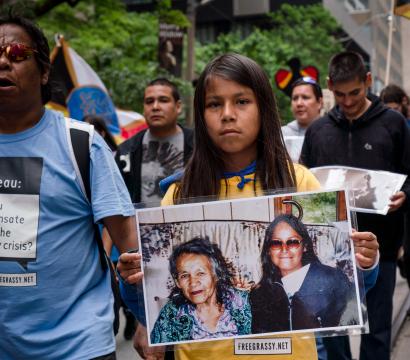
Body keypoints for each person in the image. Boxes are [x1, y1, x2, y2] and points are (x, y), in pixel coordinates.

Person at [119, 53, 379, 360]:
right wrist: (133, 281)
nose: (228, 114)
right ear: (201, 115)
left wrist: (365, 261)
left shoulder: (300, 182)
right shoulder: (178, 194)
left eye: (241, 101)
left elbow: (349, 291)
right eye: (214, 104)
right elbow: (152, 306)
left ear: (263, 108)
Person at [0, 15, 142, 359]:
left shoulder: (81, 144)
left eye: (16, 52)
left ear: (44, 71)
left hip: (78, 344)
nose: (3, 61)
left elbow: (133, 247)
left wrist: (148, 319)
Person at [301, 51, 410, 360]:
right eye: (340, 94)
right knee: (332, 330)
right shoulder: (318, 131)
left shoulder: (394, 124)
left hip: (382, 249)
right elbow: (302, 183)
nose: (347, 102)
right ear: (329, 86)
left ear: (368, 82)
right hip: (327, 253)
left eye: (355, 93)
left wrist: (406, 196)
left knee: (377, 332)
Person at [251, 214, 351, 333]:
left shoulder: (334, 280)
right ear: (268, 250)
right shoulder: (259, 294)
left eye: (292, 242)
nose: (284, 249)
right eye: (276, 243)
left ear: (305, 246)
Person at [151, 237, 251, 343]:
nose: (193, 283)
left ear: (216, 275)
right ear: (177, 282)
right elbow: (158, 352)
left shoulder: (241, 302)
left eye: (201, 273)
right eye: (184, 276)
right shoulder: (171, 313)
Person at [115, 78, 194, 207]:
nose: (155, 107)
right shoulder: (127, 150)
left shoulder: (199, 146)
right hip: (139, 226)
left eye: (163, 100)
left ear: (178, 106)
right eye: (149, 102)